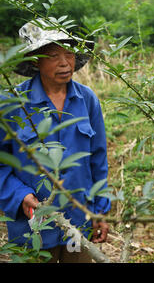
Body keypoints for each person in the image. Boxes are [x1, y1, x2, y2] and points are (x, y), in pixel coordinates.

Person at [0, 19, 110, 262]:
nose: (64, 62)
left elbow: (98, 161)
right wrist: (20, 196)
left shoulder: (87, 100)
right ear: (35, 60)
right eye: (53, 55)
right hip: (33, 229)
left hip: (78, 226)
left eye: (69, 53)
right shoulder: (12, 104)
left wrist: (101, 210)